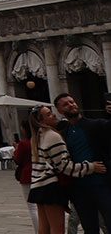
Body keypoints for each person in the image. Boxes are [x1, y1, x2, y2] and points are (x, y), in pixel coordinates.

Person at [31, 103, 106, 234]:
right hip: (50, 185)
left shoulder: (37, 136)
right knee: (57, 228)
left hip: (38, 185)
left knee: (44, 227)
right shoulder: (52, 136)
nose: (53, 115)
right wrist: (91, 167)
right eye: (48, 114)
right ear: (42, 120)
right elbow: (64, 166)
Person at [56, 94, 110, 234]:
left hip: (102, 184)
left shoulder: (97, 125)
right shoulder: (63, 133)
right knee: (89, 227)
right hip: (79, 188)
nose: (71, 105)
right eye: (66, 104)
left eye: (72, 101)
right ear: (60, 110)